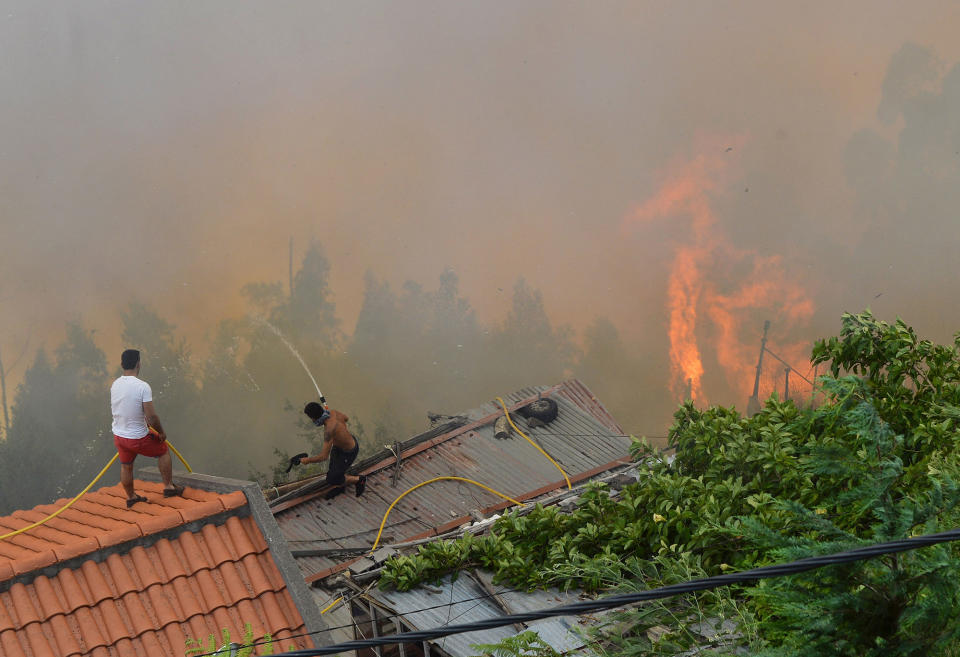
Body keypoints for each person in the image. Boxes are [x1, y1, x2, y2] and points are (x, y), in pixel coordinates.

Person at [111, 349, 184, 508]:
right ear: (138, 364)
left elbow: (124, 407)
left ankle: (131, 497)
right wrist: (161, 433)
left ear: (122, 364)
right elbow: (151, 417)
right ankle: (169, 487)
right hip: (138, 437)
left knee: (126, 465)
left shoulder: (115, 384)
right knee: (163, 451)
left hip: (119, 436)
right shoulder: (143, 387)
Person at [296, 402, 367, 498]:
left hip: (349, 452)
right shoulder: (333, 412)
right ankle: (340, 486)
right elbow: (346, 418)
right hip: (339, 446)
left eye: (311, 418)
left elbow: (323, 457)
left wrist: (307, 460)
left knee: (331, 479)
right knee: (333, 470)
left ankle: (359, 480)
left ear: (314, 418)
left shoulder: (329, 431)